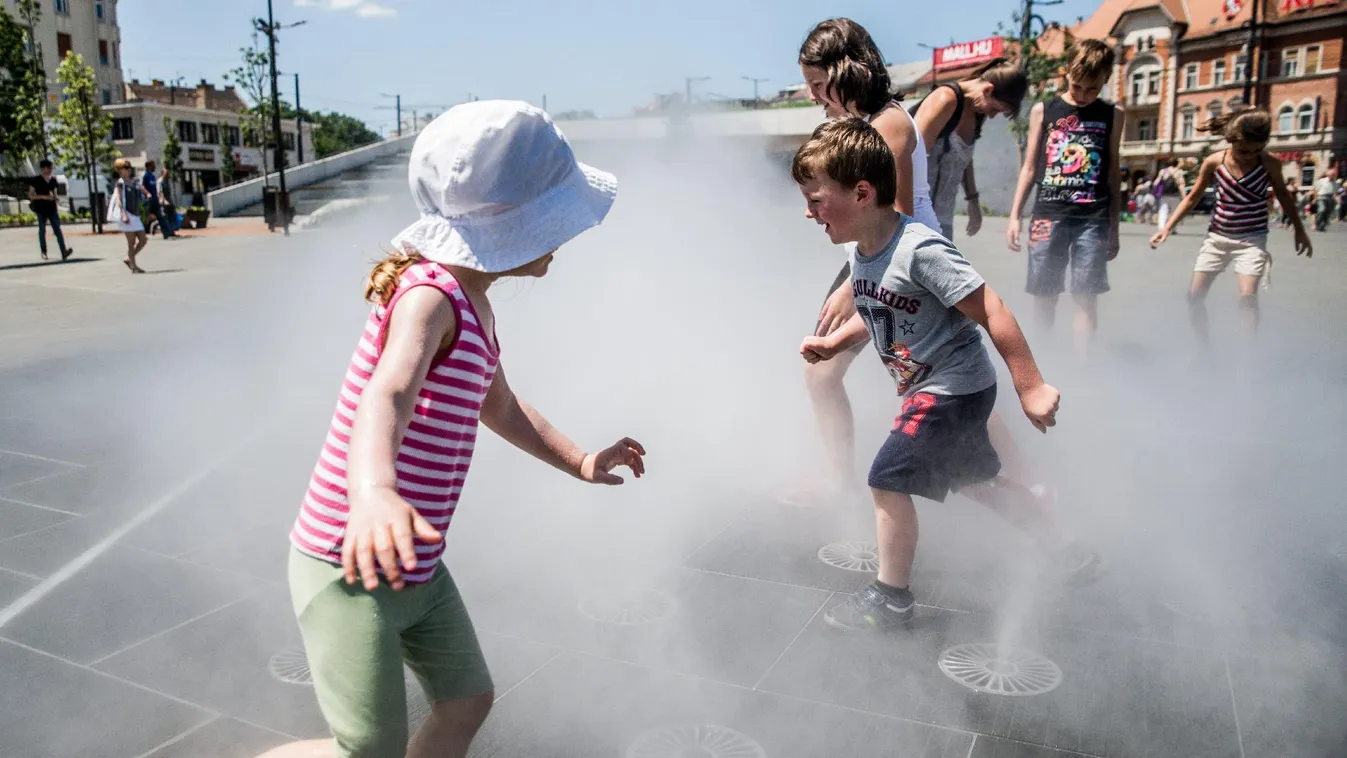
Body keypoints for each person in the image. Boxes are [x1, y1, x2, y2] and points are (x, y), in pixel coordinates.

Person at [255, 101, 645, 758]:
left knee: (466, 701)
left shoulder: (476, 306)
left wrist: (578, 459)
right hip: (346, 563)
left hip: (415, 563)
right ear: (508, 224)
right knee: (365, 748)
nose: (560, 239)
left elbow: (499, 407)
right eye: (549, 220)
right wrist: (375, 491)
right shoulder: (428, 296)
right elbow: (388, 393)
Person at [793, 118, 1095, 630]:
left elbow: (992, 308)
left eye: (817, 199)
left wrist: (1031, 385)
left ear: (862, 193)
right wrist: (834, 343)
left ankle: (892, 596)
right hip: (937, 387)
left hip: (951, 389)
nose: (809, 212)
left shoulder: (919, 249)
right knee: (979, 483)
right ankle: (1064, 548)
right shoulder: (865, 253)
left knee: (886, 479)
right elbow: (876, 313)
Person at [796, 18, 1049, 506]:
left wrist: (855, 285)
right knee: (933, 373)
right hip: (872, 256)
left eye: (819, 85)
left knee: (946, 375)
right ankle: (1023, 476)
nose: (813, 96)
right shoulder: (845, 123)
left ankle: (1024, 478)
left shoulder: (888, 122)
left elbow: (900, 212)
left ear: (849, 72)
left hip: (901, 259)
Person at [1149, 108, 1311, 344]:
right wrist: (1167, 227)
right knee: (1194, 297)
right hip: (1217, 238)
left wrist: (1299, 229)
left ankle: (1245, 355)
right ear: (1230, 140)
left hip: (1251, 240)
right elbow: (1192, 197)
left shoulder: (1269, 163)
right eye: (1244, 150)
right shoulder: (1215, 162)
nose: (1250, 155)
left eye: (1257, 149)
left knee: (1247, 298)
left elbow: (1283, 195)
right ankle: (1203, 348)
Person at [1007, 38, 1124, 357]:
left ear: (1105, 81)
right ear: (1066, 73)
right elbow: (1030, 166)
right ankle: (1044, 360)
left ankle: (1081, 365)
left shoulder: (1113, 114)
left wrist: (1115, 226)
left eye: (1093, 89)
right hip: (1047, 215)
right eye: (1077, 86)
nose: (1084, 95)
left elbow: (1113, 172)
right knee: (1045, 293)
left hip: (1093, 220)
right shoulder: (1044, 110)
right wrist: (1015, 214)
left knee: (1086, 296)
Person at [912, 58, 1026, 241]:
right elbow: (910, 155)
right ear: (987, 89)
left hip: (942, 216)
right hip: (914, 215)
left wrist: (973, 200)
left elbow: (963, 156)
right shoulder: (945, 99)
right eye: (996, 108)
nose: (992, 115)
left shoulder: (976, 112)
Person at [27, 159, 72, 261]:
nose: (51, 170)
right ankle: (44, 252)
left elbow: (54, 194)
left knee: (57, 230)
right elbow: (31, 195)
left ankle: (63, 251)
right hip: (40, 208)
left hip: (52, 209)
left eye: (51, 168)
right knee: (42, 230)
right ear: (43, 168)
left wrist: (55, 198)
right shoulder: (35, 180)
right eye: (49, 168)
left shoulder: (53, 180)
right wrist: (43, 197)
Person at [109, 158, 147, 273]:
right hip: (126, 214)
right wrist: (123, 214)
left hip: (135, 215)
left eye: (129, 167)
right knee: (131, 243)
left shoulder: (134, 181)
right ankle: (134, 266)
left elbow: (139, 197)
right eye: (125, 167)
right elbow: (119, 200)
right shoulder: (120, 184)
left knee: (143, 240)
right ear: (120, 170)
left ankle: (128, 258)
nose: (128, 169)